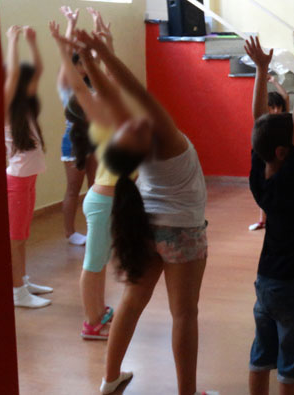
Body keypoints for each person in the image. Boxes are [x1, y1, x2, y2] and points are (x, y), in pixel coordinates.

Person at [60, 31, 210, 395]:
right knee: (184, 313)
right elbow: (133, 91)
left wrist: (93, 60)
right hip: (182, 231)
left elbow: (116, 95)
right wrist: (98, 53)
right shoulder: (162, 134)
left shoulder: (126, 139)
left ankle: (110, 379)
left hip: (146, 227)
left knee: (131, 301)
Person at [246, 34, 294, 395]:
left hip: (266, 282)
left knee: (262, 355)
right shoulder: (290, 178)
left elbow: (257, 120)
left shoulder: (260, 176)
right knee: (291, 366)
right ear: (283, 152)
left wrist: (261, 70)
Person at [50, 11, 123, 341]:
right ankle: (91, 323)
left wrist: (106, 43)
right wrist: (63, 47)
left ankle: (99, 310)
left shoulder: (106, 115)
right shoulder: (102, 119)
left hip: (106, 199)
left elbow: (111, 78)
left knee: (100, 263)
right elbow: (83, 84)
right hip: (102, 202)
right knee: (93, 265)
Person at [3, 25, 52, 309]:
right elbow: (12, 75)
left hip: (27, 179)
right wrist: (12, 40)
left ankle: (22, 280)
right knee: (16, 239)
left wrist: (32, 42)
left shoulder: (23, 105)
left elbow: (38, 71)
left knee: (22, 237)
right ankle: (17, 292)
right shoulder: (5, 107)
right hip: (17, 181)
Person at [57, 6, 96, 246]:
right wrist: (70, 24)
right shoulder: (67, 84)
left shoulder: (92, 84)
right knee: (74, 188)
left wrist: (97, 31)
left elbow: (98, 61)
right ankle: (70, 232)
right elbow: (65, 54)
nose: (85, 66)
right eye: (81, 63)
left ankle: (95, 230)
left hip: (95, 138)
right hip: (74, 139)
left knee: (95, 187)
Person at [250, 75, 290, 231]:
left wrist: (274, 81)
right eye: (272, 107)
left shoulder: (283, 119)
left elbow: (286, 97)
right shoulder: (263, 120)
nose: (276, 110)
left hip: (280, 161)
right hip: (265, 158)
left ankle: (281, 218)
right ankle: (262, 220)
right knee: (265, 188)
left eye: (278, 107)